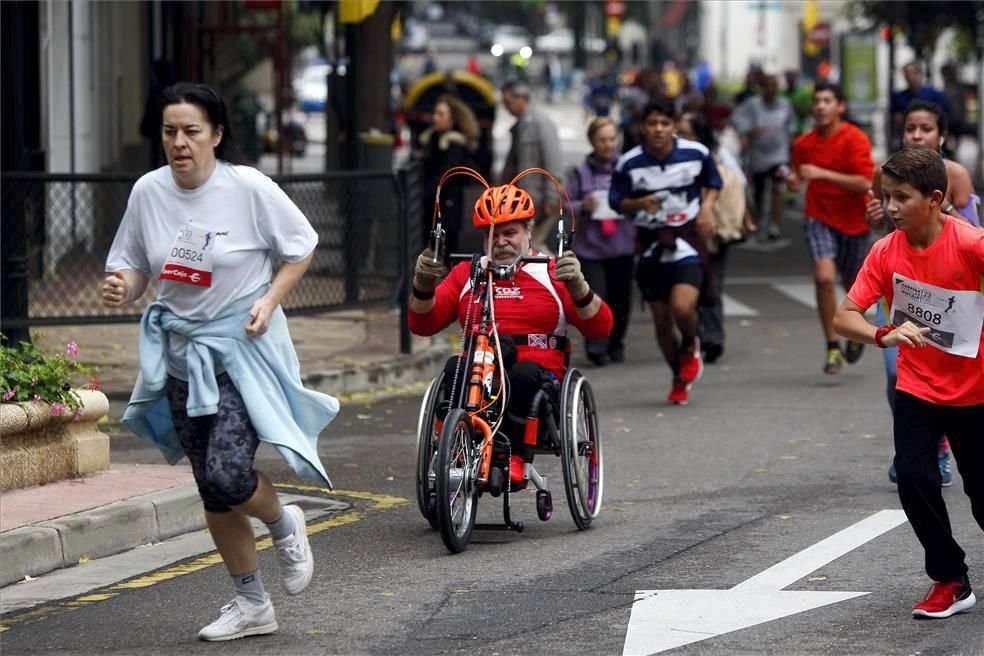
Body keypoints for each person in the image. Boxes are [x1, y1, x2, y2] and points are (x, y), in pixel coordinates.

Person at [102, 82, 338, 641]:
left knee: (228, 474)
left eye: (191, 131)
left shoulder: (248, 187)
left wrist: (270, 298)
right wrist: (123, 286)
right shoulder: (148, 192)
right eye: (169, 132)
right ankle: (253, 604)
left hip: (240, 351)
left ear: (216, 135)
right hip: (182, 357)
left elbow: (301, 246)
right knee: (212, 488)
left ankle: (285, 522)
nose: (179, 142)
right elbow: (135, 266)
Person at [833, 144, 983, 620]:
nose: (891, 207)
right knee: (915, 479)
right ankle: (951, 580)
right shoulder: (885, 252)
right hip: (918, 388)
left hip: (975, 391)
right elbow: (844, 316)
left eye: (901, 197)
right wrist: (885, 333)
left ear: (935, 199)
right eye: (886, 196)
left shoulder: (970, 245)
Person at [408, 184, 613, 485]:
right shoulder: (466, 273)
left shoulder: (553, 272)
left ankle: (515, 455)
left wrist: (580, 288)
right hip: (480, 374)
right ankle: (451, 451)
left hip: (536, 378)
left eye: (510, 233)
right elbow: (422, 325)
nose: (501, 242)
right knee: (454, 367)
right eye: (493, 234)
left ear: (529, 231)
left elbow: (601, 329)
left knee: (524, 373)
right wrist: (423, 286)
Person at [864, 99, 980, 487]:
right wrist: (878, 216)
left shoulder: (956, 176)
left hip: (950, 291)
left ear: (941, 135)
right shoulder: (887, 172)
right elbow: (881, 225)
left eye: (925, 128)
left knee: (951, 371)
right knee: (897, 371)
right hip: (899, 284)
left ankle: (941, 447)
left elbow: (972, 230)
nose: (917, 134)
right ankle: (920, 444)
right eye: (911, 128)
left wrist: (942, 214)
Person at [610, 98, 723, 405]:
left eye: (665, 123)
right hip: (650, 244)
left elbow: (714, 182)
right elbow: (616, 201)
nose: (658, 129)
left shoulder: (696, 153)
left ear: (674, 127)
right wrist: (638, 204)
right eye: (652, 124)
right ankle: (678, 374)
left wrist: (707, 209)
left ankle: (690, 343)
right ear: (643, 128)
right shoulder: (629, 163)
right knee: (661, 320)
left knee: (683, 307)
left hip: (686, 238)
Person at [788, 82, 875, 374]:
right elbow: (798, 175)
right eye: (817, 101)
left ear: (841, 106)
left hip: (854, 221)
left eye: (827, 100)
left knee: (854, 285)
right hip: (819, 217)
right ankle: (832, 346)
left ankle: (855, 331)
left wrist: (823, 173)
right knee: (824, 278)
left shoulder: (856, 139)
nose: (821, 106)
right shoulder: (803, 144)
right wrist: (792, 182)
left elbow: (865, 182)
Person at [677, 111, 747, 364]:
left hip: (715, 230)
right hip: (681, 232)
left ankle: (713, 339)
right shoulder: (672, 159)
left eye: (685, 132)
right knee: (686, 284)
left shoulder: (715, 156)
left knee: (712, 284)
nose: (679, 138)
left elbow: (738, 181)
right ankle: (692, 336)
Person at [566, 117, 636, 366]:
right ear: (592, 142)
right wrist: (582, 206)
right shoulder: (581, 171)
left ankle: (617, 343)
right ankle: (596, 346)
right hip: (591, 248)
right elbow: (566, 204)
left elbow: (642, 199)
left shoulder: (628, 168)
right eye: (602, 140)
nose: (608, 145)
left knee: (621, 299)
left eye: (612, 139)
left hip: (622, 245)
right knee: (595, 298)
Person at [500, 79, 563, 253]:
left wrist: (551, 196)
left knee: (532, 243)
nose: (507, 107)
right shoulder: (523, 123)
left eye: (509, 102)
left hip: (540, 197)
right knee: (528, 244)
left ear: (522, 99)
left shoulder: (540, 122)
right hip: (528, 198)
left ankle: (560, 276)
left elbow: (553, 161)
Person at [731, 72, 795, 240]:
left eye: (774, 87)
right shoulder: (752, 105)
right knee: (759, 193)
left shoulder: (785, 104)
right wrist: (747, 132)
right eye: (768, 87)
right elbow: (737, 119)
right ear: (762, 88)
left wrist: (791, 147)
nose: (771, 90)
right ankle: (758, 224)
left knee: (777, 187)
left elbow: (791, 126)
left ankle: (774, 225)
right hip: (758, 156)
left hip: (779, 155)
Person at [415, 94, 480, 256]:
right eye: (435, 113)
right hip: (432, 206)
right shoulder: (432, 139)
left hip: (446, 206)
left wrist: (427, 192)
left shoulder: (454, 145)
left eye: (441, 114)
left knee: (445, 252)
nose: (435, 118)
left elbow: (446, 175)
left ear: (453, 119)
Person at [890, 62, 948, 148]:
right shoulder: (899, 96)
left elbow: (944, 115)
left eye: (926, 129)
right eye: (907, 74)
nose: (917, 136)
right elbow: (895, 117)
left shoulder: (935, 94)